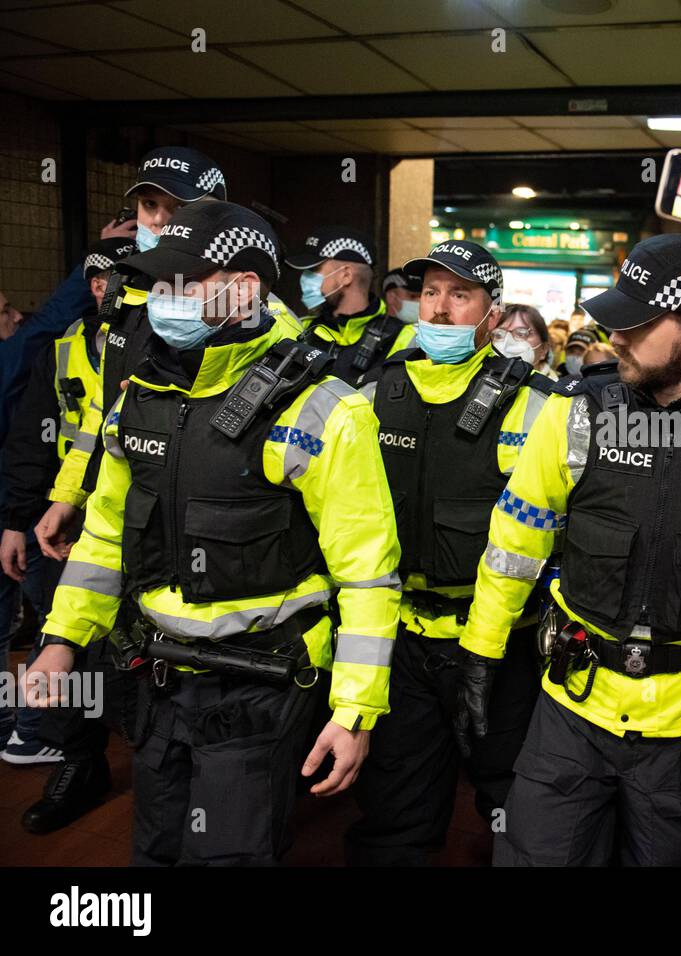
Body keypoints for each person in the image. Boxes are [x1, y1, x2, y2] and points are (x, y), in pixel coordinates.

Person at [23, 201, 401, 865]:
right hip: (157, 674)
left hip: (260, 681)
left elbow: (368, 573)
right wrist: (61, 638)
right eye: (155, 283)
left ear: (245, 289)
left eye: (181, 284)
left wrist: (354, 713)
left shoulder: (321, 409)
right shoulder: (141, 390)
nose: (159, 300)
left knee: (227, 855)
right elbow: (108, 531)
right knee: (157, 850)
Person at [457, 233, 681, 866]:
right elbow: (514, 542)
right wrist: (481, 650)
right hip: (570, 711)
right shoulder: (577, 414)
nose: (615, 336)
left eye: (635, 323)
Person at [345, 241, 553, 866]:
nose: (437, 309)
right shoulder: (378, 390)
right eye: (430, 292)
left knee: (512, 796)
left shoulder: (534, 401)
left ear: (492, 316)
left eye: (459, 295)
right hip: (402, 635)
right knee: (395, 799)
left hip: (500, 642)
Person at [33, 146, 235, 569]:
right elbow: (102, 414)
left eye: (176, 206)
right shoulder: (124, 301)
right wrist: (70, 495)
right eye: (148, 205)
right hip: (122, 518)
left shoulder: (248, 310)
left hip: (219, 528)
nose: (159, 219)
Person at [1, 239, 136, 830]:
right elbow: (32, 440)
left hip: (144, 520)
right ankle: (79, 762)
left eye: (117, 277)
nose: (105, 288)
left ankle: (165, 766)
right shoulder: (60, 350)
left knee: (136, 650)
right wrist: (15, 519)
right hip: (67, 523)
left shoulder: (159, 345)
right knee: (62, 644)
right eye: (96, 279)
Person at [0, 268, 95, 761]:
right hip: (33, 514)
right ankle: (38, 731)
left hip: (26, 514)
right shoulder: (28, 354)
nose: (16, 315)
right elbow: (46, 323)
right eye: (4, 311)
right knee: (58, 623)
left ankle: (15, 725)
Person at [287, 227, 407, 387]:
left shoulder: (402, 337)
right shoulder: (301, 328)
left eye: (314, 270)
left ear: (346, 276)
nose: (305, 278)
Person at [494, 303, 554, 376]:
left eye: (521, 334)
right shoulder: (482, 382)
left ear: (544, 349)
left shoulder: (556, 386)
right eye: (499, 335)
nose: (507, 342)